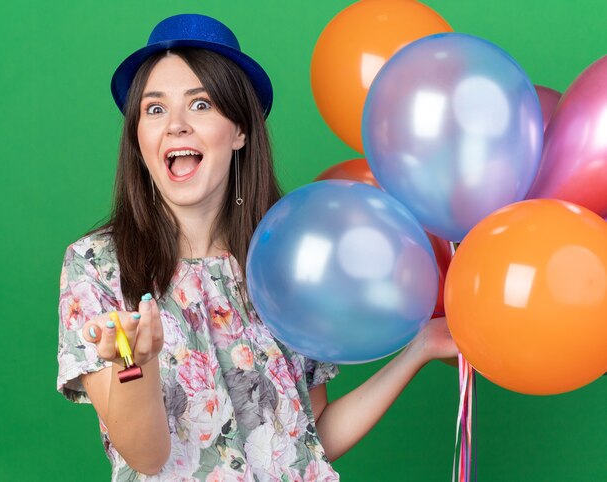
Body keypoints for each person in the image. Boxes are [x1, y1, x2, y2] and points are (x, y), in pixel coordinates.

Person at [56, 13, 458, 481]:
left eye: (201, 104)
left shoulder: (290, 259)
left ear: (240, 131)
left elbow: (311, 437)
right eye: (155, 109)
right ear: (139, 137)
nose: (177, 126)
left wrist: (420, 349)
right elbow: (146, 458)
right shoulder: (98, 266)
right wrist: (135, 365)